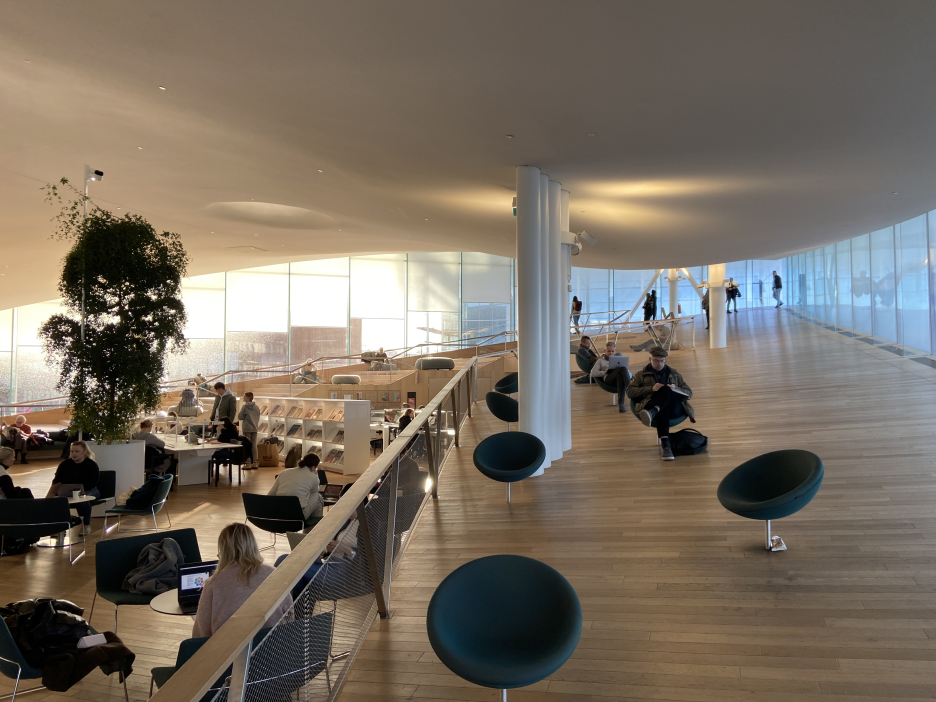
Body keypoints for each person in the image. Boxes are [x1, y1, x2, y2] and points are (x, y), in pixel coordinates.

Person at [191, 523, 292, 638]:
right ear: (253, 545)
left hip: (228, 646)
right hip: (273, 643)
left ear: (223, 550)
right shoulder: (273, 574)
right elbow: (289, 613)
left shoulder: (213, 583)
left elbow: (202, 631)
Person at [626, 347, 695, 461]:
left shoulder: (674, 374)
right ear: (650, 359)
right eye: (656, 360)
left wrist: (675, 388)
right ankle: (666, 445)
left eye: (662, 361)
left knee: (666, 392)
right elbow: (629, 392)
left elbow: (689, 393)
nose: (659, 364)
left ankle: (655, 414)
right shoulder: (640, 375)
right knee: (664, 401)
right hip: (650, 403)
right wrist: (650, 389)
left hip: (673, 408)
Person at [46, 441, 100, 534]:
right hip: (68, 491)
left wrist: (78, 490)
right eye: (72, 451)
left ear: (84, 452)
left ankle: (86, 525)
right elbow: (56, 481)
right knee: (58, 501)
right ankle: (61, 527)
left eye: (77, 451)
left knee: (82, 500)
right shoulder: (64, 464)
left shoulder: (91, 464)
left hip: (89, 490)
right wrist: (51, 494)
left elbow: (92, 483)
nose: (74, 454)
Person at [267, 453, 324, 529]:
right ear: (314, 466)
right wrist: (315, 475)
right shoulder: (313, 476)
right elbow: (315, 491)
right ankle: (314, 531)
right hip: (297, 516)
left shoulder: (284, 472)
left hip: (278, 514)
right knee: (318, 496)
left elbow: (271, 494)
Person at [589, 341, 630, 412]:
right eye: (609, 351)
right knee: (622, 368)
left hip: (618, 379)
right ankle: (630, 389)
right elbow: (592, 373)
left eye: (612, 351)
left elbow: (629, 373)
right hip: (609, 379)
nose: (611, 353)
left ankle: (621, 404)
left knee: (620, 375)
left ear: (615, 351)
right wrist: (605, 372)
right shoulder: (600, 361)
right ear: (605, 351)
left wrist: (627, 374)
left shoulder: (619, 360)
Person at [238, 392, 261, 468]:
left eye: (244, 396)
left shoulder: (245, 407)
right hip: (255, 428)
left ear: (248, 398)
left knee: (247, 445)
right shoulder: (257, 407)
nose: (243, 398)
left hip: (247, 428)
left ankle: (248, 463)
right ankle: (255, 462)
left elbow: (240, 417)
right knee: (254, 444)